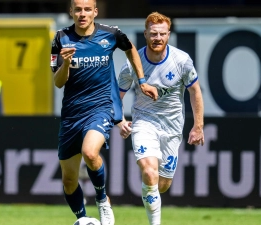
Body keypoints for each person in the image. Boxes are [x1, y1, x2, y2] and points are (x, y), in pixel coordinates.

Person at [50, 0, 158, 224]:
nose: (82, 14)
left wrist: (142, 81)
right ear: (70, 12)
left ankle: (102, 199)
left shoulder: (111, 34)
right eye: (78, 9)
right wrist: (66, 64)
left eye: (87, 9)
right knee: (69, 182)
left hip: (100, 108)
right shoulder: (60, 39)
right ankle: (84, 220)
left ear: (95, 12)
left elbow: (131, 51)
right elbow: (58, 83)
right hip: (71, 114)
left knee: (90, 153)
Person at [117, 12, 205, 225]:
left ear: (168, 35)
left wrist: (198, 126)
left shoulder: (181, 61)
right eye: (153, 33)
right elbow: (116, 96)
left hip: (172, 127)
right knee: (149, 172)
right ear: (145, 34)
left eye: (162, 34)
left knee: (162, 184)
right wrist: (119, 120)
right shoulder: (132, 64)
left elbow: (195, 92)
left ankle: (151, 194)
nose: (158, 38)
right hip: (144, 122)